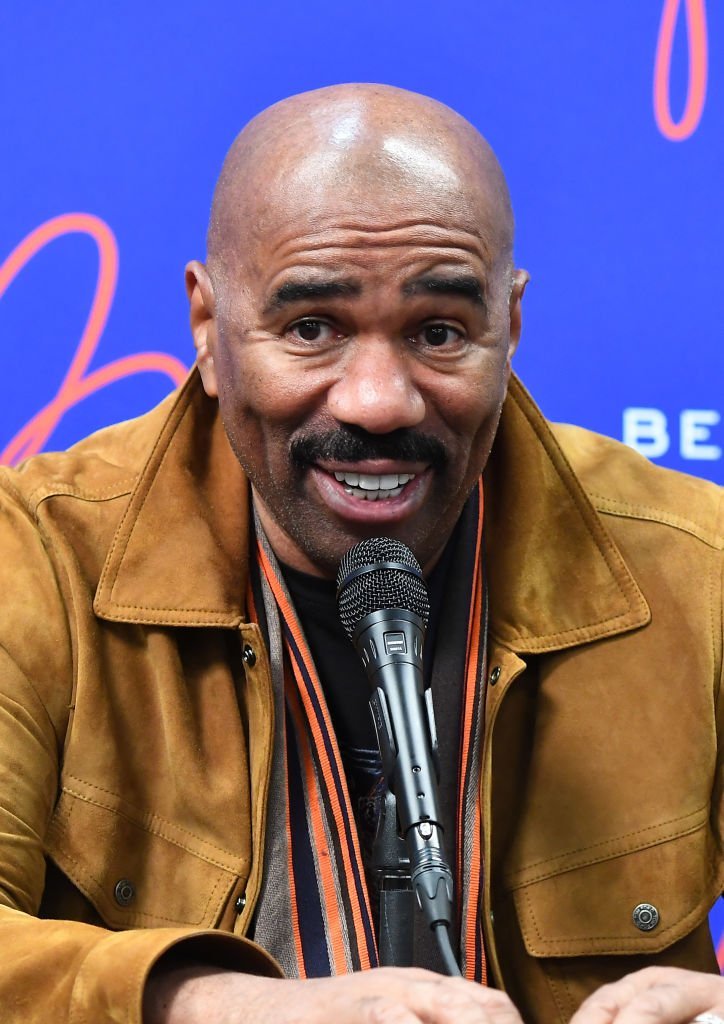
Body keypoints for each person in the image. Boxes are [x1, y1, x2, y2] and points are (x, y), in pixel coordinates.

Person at [0, 84, 721, 1024]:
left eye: (439, 333)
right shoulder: (36, 557)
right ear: (209, 330)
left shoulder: (694, 568)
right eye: (312, 329)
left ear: (512, 327)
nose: (379, 402)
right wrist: (211, 1005)